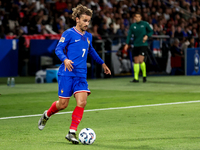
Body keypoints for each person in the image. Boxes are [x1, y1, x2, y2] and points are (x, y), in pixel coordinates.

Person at [38, 4, 111, 144]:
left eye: (88, 21)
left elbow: (91, 51)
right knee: (63, 104)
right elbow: (58, 49)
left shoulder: (88, 36)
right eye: (84, 20)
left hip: (81, 75)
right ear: (77, 19)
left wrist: (102, 63)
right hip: (67, 74)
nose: (87, 23)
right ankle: (47, 114)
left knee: (82, 102)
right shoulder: (68, 34)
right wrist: (65, 60)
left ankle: (72, 132)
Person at [124, 12, 153, 82]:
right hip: (136, 45)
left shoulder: (145, 24)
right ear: (134, 18)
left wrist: (147, 36)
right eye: (136, 17)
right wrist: (127, 44)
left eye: (139, 17)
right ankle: (136, 78)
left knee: (141, 60)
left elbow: (151, 31)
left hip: (143, 45)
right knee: (136, 61)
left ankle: (144, 76)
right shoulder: (133, 26)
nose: (137, 18)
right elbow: (129, 35)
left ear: (141, 17)